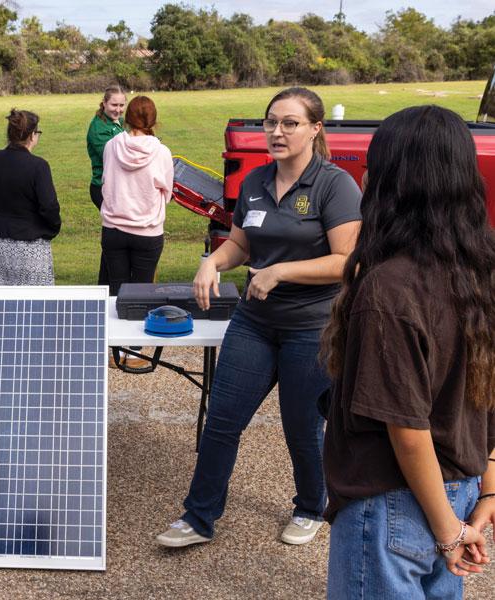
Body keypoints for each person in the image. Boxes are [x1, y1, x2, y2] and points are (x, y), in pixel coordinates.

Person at [156, 87, 362, 548]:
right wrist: (213, 261)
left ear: (315, 129)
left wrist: (281, 271)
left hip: (312, 326)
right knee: (222, 420)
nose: (277, 131)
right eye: (271, 122)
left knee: (301, 427)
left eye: (290, 123)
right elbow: (241, 245)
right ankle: (198, 517)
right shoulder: (254, 182)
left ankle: (311, 506)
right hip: (254, 321)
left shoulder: (335, 185)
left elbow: (347, 260)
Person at [321, 105, 495, 598]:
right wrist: (485, 494)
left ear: (395, 180)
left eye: (373, 164)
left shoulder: (390, 288)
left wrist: (447, 532)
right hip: (458, 496)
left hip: (396, 503)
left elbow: (409, 432)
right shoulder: (484, 269)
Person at [100, 95, 172, 370]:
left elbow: (106, 180)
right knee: (142, 290)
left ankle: (113, 349)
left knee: (116, 289)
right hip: (147, 230)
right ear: (154, 121)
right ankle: (135, 352)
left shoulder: (111, 146)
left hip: (114, 227)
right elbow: (166, 190)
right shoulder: (161, 152)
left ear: (127, 117)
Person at [0, 109, 60, 285]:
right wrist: (51, 227)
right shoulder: (38, 166)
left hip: (2, 243)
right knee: (36, 302)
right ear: (32, 135)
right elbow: (49, 206)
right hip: (32, 244)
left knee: (6, 300)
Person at [87, 85, 126, 287]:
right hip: (102, 189)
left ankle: (105, 282)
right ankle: (111, 283)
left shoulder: (120, 121)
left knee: (114, 238)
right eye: (113, 105)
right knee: (115, 236)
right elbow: (116, 157)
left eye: (121, 105)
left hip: (118, 187)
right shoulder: (98, 129)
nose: (118, 109)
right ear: (104, 103)